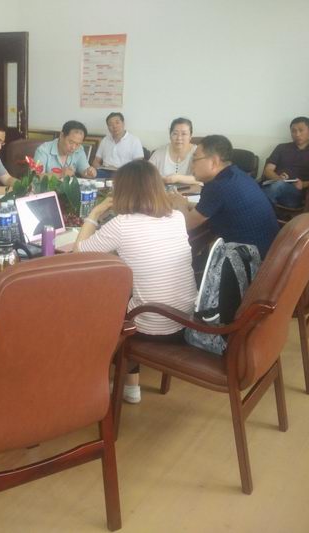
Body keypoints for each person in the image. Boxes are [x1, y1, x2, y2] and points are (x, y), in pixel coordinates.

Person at [74, 160, 197, 404]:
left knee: (101, 308)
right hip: (187, 319)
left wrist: (94, 214)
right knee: (131, 297)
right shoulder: (176, 217)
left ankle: (100, 380)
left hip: (154, 325)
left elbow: (79, 254)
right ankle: (131, 387)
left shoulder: (122, 224)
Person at [170, 135, 279, 258]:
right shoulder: (235, 175)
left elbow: (187, 224)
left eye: (194, 159)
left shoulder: (218, 186)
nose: (191, 165)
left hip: (251, 261)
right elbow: (215, 208)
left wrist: (181, 205)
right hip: (269, 252)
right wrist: (187, 204)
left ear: (214, 162)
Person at [261, 116, 309, 208]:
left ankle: (258, 207)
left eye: (301, 130)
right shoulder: (281, 148)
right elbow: (268, 170)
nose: (297, 134)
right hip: (274, 184)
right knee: (252, 185)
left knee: (276, 187)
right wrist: (278, 178)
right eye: (293, 131)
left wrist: (304, 184)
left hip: (295, 193)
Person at [148, 117, 201, 186]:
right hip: (163, 191)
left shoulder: (198, 152)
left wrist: (177, 178)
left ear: (190, 136)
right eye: (175, 133)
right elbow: (146, 174)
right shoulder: (160, 152)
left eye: (184, 134)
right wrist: (160, 179)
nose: (179, 138)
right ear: (170, 135)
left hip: (191, 192)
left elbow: (202, 177)